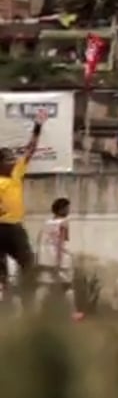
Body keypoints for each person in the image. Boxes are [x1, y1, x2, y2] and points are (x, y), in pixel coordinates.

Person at [0, 108, 46, 309]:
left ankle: (28, 307)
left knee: (28, 265)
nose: (12, 162)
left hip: (15, 228)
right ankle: (5, 303)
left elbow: (30, 149)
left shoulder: (16, 174)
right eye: (7, 160)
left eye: (12, 159)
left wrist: (38, 126)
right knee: (1, 271)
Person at [37, 197, 79, 320]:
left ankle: (36, 312)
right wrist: (58, 261)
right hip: (59, 259)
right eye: (67, 208)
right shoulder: (64, 223)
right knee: (68, 286)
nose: (68, 210)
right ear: (61, 209)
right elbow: (61, 242)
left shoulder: (46, 222)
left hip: (45, 258)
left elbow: (39, 240)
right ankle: (73, 313)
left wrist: (40, 257)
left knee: (44, 286)